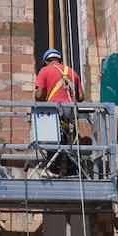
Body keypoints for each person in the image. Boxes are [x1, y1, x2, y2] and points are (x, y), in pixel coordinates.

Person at [34, 48, 85, 176]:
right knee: (70, 140)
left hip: (55, 110)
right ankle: (73, 171)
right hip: (71, 111)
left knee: (53, 138)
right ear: (59, 60)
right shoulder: (72, 72)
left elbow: (39, 95)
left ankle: (52, 170)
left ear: (46, 61)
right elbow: (82, 96)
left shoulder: (45, 71)